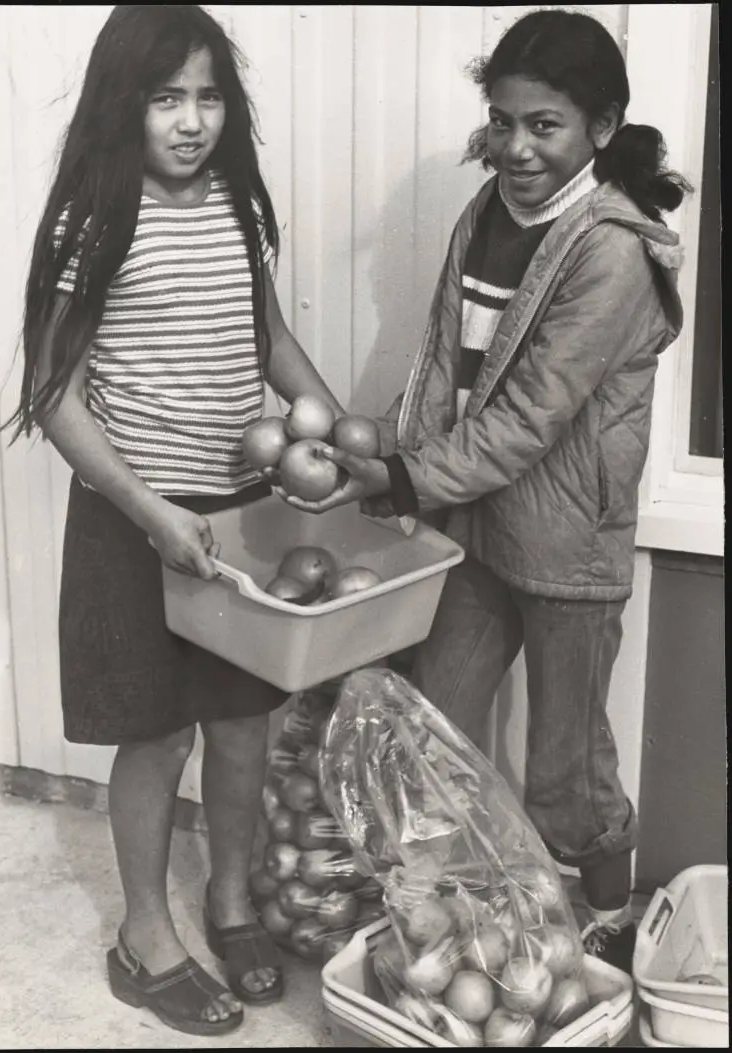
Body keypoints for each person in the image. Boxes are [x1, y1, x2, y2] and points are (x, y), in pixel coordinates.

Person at [279, 9, 691, 975]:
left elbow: (528, 417)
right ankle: (450, 919)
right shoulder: (487, 212)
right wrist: (389, 449)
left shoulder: (613, 250)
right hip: (474, 526)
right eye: (501, 121)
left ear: (600, 126)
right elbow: (445, 368)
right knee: (436, 727)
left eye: (543, 125)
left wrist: (408, 474)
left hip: (565, 544)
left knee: (564, 769)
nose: (515, 147)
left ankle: (607, 920)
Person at [4, 5, 344, 1037]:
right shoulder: (93, 221)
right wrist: (151, 513)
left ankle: (230, 902)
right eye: (165, 98)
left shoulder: (237, 204)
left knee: (243, 726)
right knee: (153, 736)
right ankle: (143, 937)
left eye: (207, 97)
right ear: (125, 105)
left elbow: (266, 332)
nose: (190, 121)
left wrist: (329, 433)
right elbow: (56, 397)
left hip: (235, 516)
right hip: (132, 519)